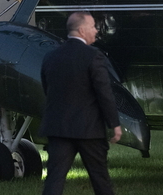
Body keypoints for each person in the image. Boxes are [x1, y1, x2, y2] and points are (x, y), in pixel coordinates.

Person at [39, 12, 122, 195]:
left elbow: (48, 89)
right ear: (82, 30)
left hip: (58, 128)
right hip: (89, 129)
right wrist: (114, 124)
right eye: (93, 27)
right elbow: (104, 93)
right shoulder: (93, 56)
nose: (96, 31)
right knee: (101, 180)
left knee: (54, 179)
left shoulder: (50, 57)